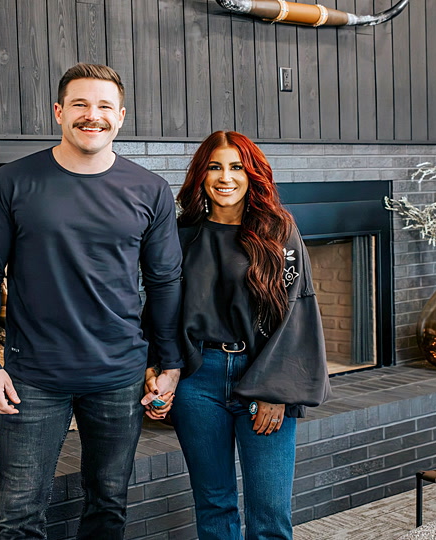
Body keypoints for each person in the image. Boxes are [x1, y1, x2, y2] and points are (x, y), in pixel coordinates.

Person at [0, 63, 182, 539]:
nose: (92, 115)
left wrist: (169, 362)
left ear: (120, 116)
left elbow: (165, 281)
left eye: (104, 106)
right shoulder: (13, 181)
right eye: (80, 104)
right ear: (59, 112)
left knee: (108, 505)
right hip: (32, 378)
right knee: (20, 517)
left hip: (119, 376)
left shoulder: (149, 189)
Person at [144, 131, 331, 540]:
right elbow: (162, 308)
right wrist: (158, 365)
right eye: (215, 167)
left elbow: (297, 310)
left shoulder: (279, 232)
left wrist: (276, 391)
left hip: (262, 377)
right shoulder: (181, 233)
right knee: (214, 505)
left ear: (252, 175)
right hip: (198, 381)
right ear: (201, 174)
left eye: (236, 167)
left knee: (270, 514)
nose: (225, 177)